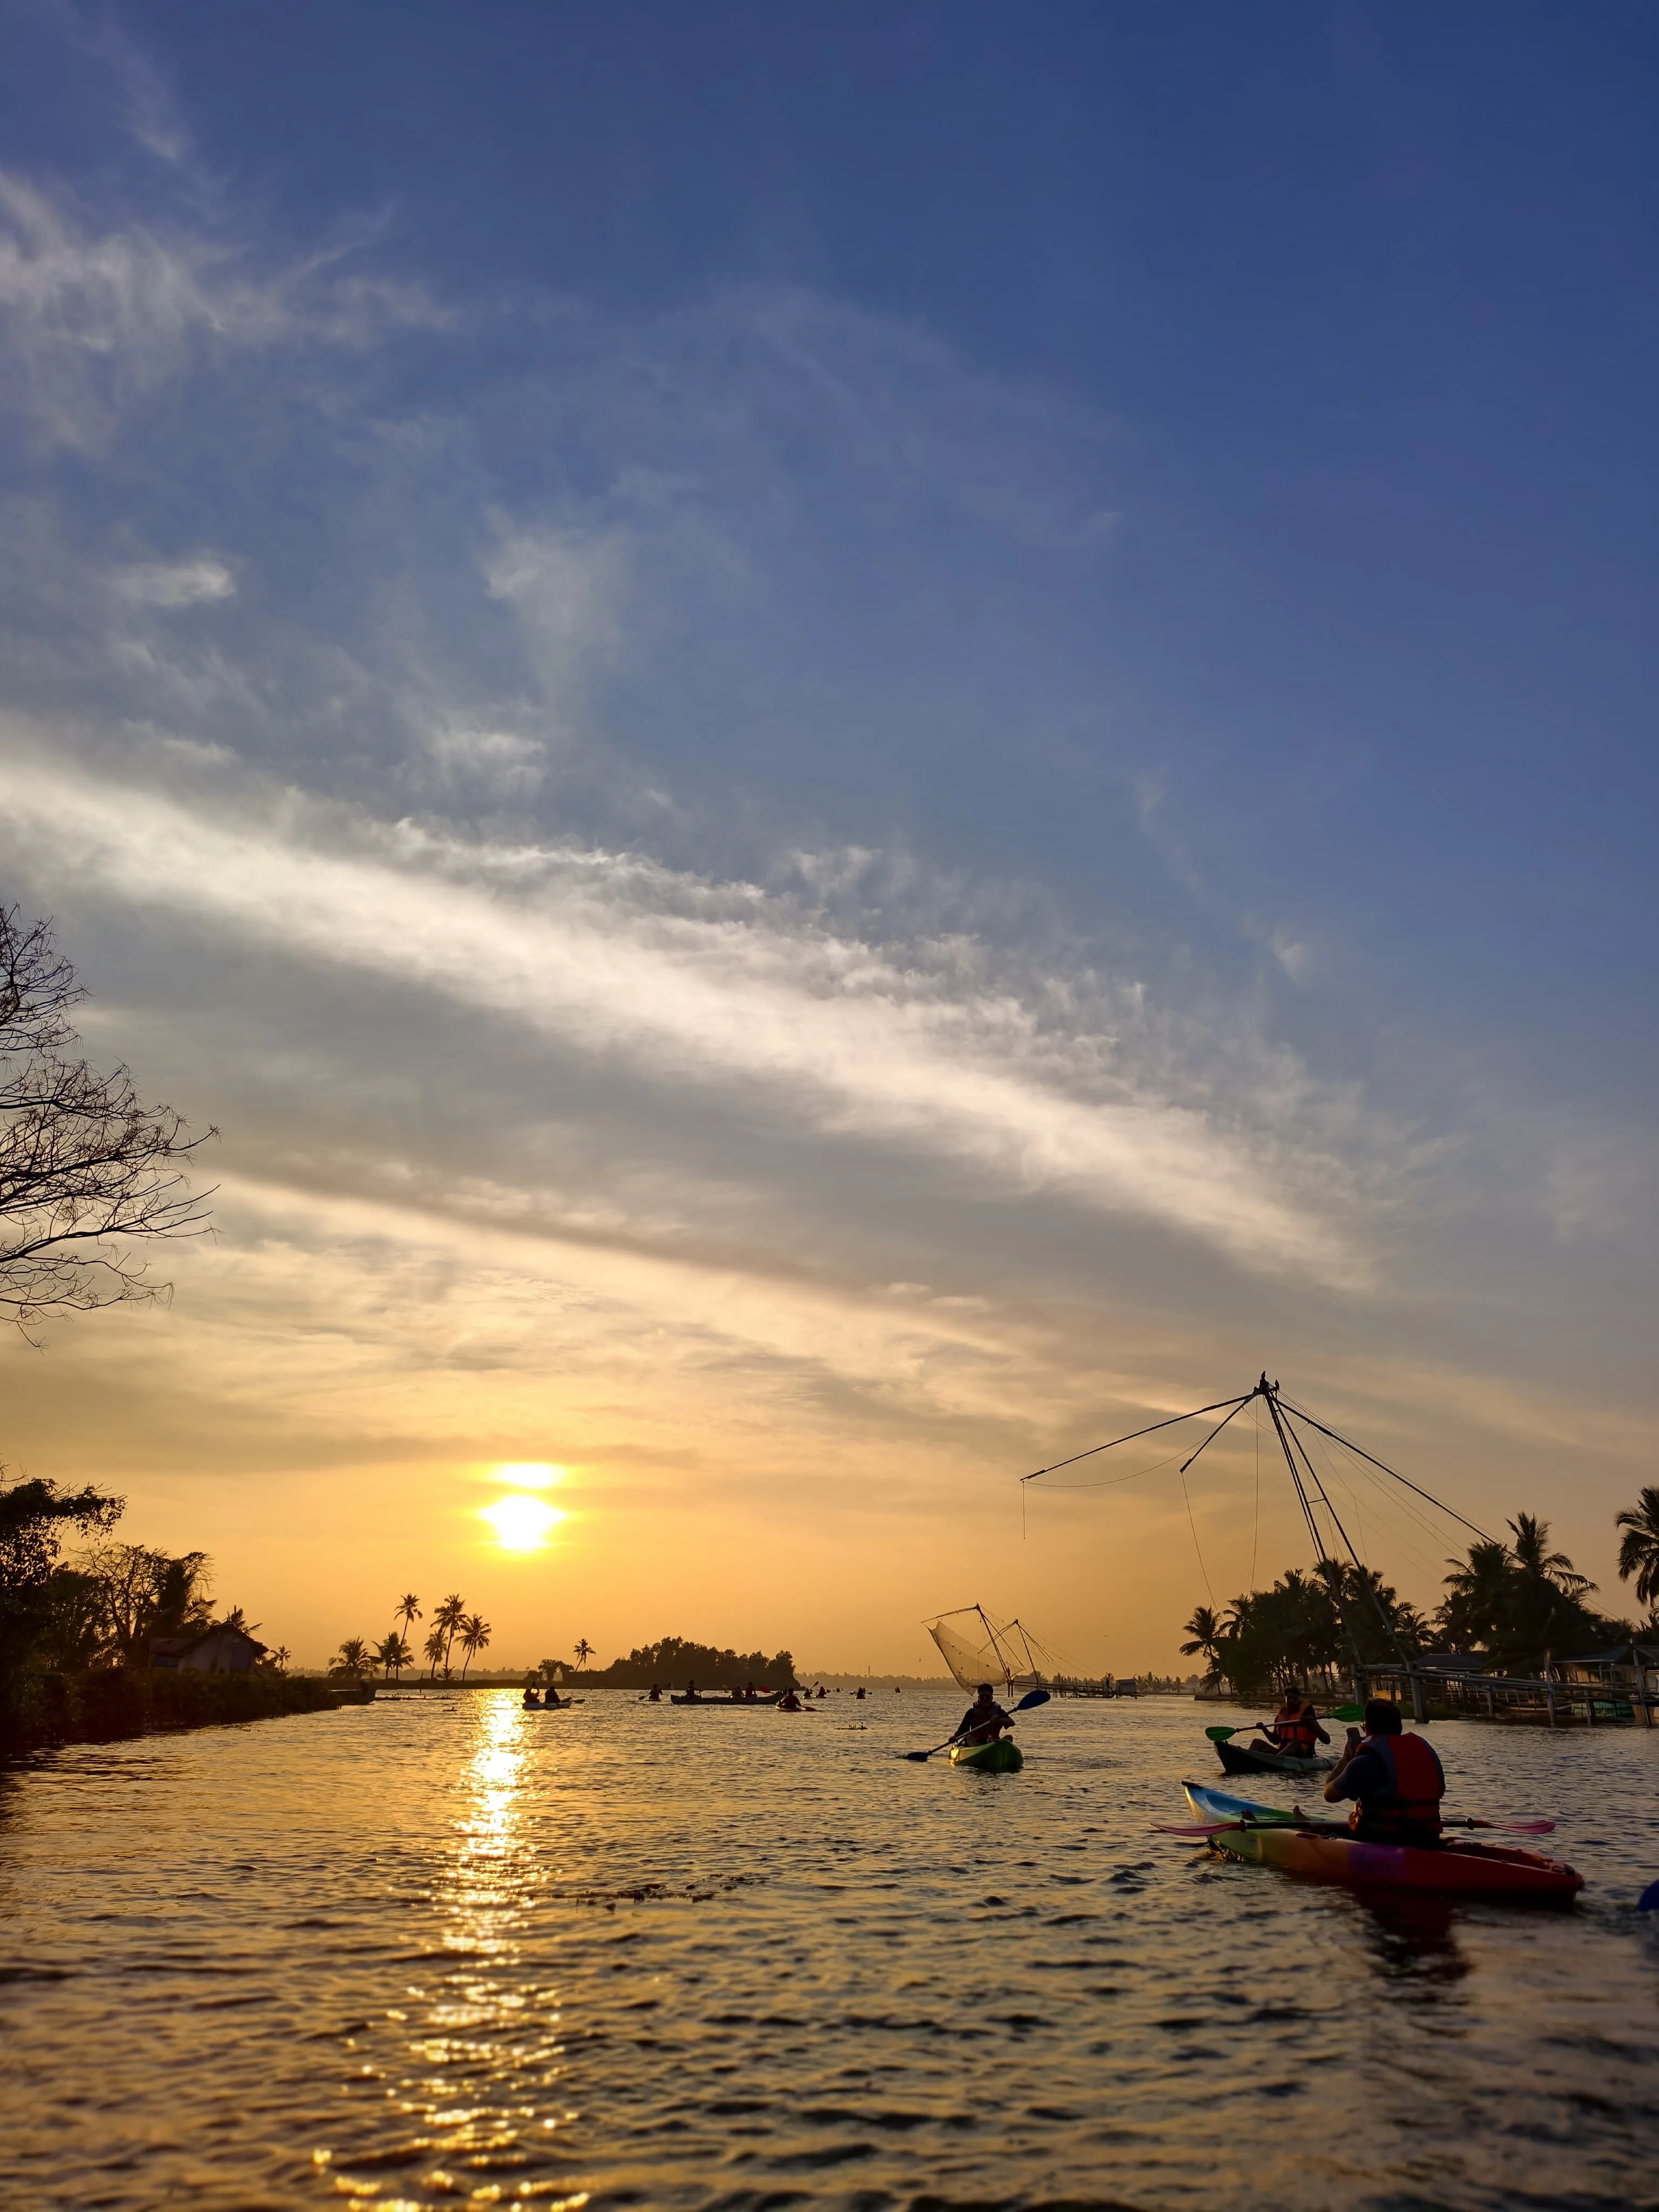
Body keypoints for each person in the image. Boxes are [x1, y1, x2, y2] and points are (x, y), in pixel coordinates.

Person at [1323, 1699, 1445, 1845]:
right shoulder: (1426, 1753)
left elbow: (1329, 1794)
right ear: (1400, 1727)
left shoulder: (1364, 1763)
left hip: (1384, 1842)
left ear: (1367, 1729)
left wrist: (1346, 1759)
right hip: (1429, 1840)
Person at [1258, 1684, 1330, 1759]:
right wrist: (1264, 1729)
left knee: (1295, 1744)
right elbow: (1275, 1741)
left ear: (1299, 1699)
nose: (1291, 1701)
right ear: (1285, 1700)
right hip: (1282, 1753)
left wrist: (1312, 1724)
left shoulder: (1308, 1715)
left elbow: (1327, 1740)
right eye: (1289, 1698)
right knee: (1257, 1743)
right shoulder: (1280, 1717)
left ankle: (1276, 1760)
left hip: (1303, 1754)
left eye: (1294, 1698)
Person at [954, 1681, 1013, 1749]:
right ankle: (978, 1750)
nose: (985, 1699)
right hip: (976, 1744)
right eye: (982, 1697)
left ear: (992, 1698)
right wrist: (954, 1738)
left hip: (993, 1744)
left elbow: (1012, 1723)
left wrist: (999, 1719)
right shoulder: (971, 1712)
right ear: (979, 1698)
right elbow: (962, 1731)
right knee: (969, 1737)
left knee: (1009, 1737)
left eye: (987, 1697)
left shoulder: (998, 1712)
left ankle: (997, 1750)